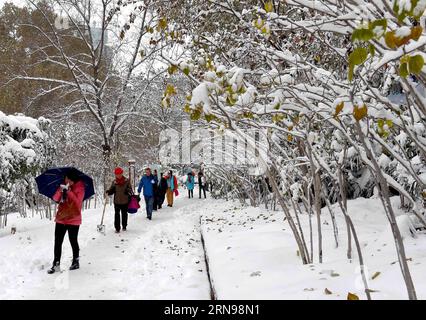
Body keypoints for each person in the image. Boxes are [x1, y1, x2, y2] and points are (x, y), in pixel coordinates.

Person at [48, 168, 85, 274]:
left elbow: (78, 203)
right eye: (65, 179)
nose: (66, 181)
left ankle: (75, 261)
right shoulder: (63, 185)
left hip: (74, 218)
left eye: (68, 179)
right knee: (58, 241)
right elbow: (55, 199)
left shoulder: (80, 187)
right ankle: (56, 264)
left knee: (73, 240)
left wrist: (69, 192)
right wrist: (60, 191)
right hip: (61, 217)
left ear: (72, 180)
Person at [106, 167, 133, 233]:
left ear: (122, 173)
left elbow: (130, 190)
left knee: (124, 214)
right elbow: (112, 190)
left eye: (119, 174)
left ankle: (124, 226)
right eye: (117, 174)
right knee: (117, 215)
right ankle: (117, 228)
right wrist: (109, 191)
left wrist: (128, 191)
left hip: (125, 201)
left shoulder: (126, 181)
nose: (118, 175)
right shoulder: (114, 182)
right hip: (117, 201)